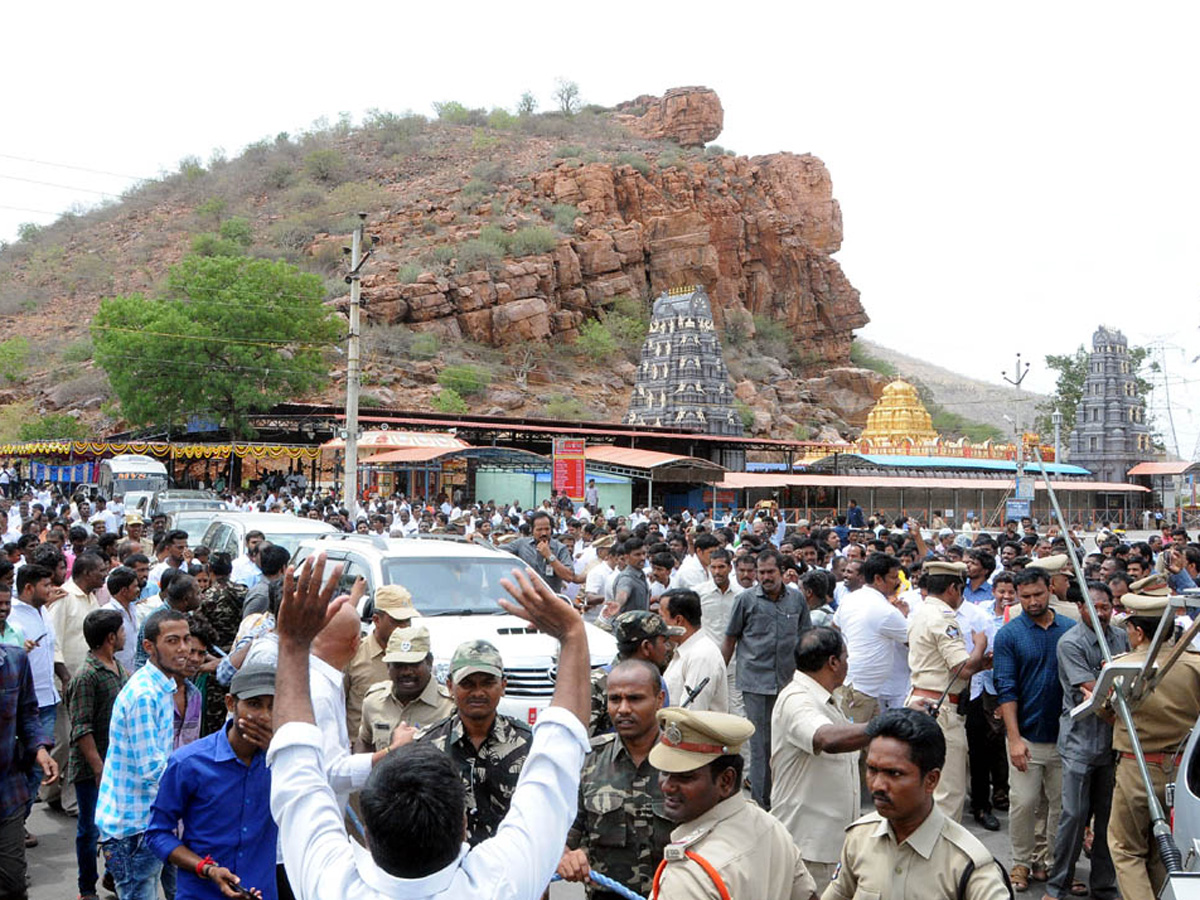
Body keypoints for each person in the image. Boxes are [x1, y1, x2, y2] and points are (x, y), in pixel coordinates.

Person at [267, 554, 592, 899]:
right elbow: (556, 760)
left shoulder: (331, 885)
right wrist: (572, 635)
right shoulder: (499, 884)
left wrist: (292, 645)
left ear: (369, 834)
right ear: (463, 826)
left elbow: (297, 770)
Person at [823, 708, 1011, 900]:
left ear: (931, 780)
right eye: (872, 769)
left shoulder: (968, 866)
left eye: (894, 773)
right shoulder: (859, 838)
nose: (877, 785)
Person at [649, 707, 817, 899]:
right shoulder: (771, 828)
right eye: (664, 772)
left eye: (685, 777)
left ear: (726, 781)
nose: (667, 786)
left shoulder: (689, 876)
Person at [146, 663, 278, 900]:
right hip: (200, 893)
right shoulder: (189, 763)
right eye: (254, 704)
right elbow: (157, 833)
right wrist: (207, 869)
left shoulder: (283, 765)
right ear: (230, 704)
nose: (265, 716)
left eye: (273, 706)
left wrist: (280, 756)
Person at [1105, 575, 1200, 899]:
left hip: (1136, 767)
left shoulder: (1122, 668)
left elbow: (1106, 712)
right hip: (1181, 770)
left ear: (1138, 631)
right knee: (1165, 850)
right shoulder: (1194, 665)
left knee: (1126, 848)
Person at [95, 608, 192, 900]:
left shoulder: (163, 686)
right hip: (134, 830)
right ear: (149, 646)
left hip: (152, 821)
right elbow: (153, 770)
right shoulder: (145, 695)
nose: (184, 649)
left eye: (186, 639)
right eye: (173, 641)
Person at [560, 659, 674, 900]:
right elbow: (563, 837)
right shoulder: (588, 761)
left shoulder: (683, 763)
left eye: (635, 699)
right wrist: (566, 856)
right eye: (615, 699)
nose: (622, 709)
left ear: (659, 699)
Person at [771, 627, 872, 894]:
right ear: (833, 662)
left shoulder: (826, 697)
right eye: (846, 658)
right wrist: (887, 725)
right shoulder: (797, 700)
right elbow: (826, 738)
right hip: (808, 849)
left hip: (830, 844)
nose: (847, 664)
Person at [1044, 580, 1126, 900]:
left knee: (1107, 817)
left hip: (1112, 742)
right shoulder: (1071, 643)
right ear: (1081, 609)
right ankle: (1058, 884)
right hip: (1081, 742)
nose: (1103, 614)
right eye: (1096, 608)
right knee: (1075, 816)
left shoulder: (1120, 637)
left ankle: (1103, 884)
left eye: (1106, 607)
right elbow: (1093, 691)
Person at [993, 568, 1073, 892]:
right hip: (1026, 736)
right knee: (1024, 803)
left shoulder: (1070, 630)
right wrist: (1014, 739)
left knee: (1061, 806)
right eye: (1024, 596)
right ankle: (1021, 863)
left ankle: (1050, 862)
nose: (1032, 601)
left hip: (1066, 737)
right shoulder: (1009, 635)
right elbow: (1006, 688)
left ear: (1050, 589)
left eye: (1037, 594)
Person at [413, 640, 532, 846]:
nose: (478, 692)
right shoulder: (427, 745)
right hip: (451, 865)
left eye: (488, 683)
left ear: (503, 685)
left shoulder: (527, 742)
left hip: (513, 863)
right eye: (467, 684)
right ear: (450, 686)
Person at [721, 548, 812, 808]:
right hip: (755, 684)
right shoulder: (746, 600)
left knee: (787, 743)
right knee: (760, 748)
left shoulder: (796, 600)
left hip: (789, 684)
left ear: (782, 573)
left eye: (770, 572)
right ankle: (763, 806)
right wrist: (718, 673)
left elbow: (806, 639)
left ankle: (786, 800)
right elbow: (730, 638)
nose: (765, 577)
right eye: (761, 573)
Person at [905, 561, 990, 822]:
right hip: (941, 709)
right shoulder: (944, 617)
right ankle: (940, 857)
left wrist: (978, 663)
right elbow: (961, 669)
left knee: (923, 787)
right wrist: (979, 646)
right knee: (948, 792)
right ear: (953, 588)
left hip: (921, 700)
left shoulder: (919, 612)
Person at [67, 608, 129, 900]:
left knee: (117, 828)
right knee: (90, 830)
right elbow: (81, 727)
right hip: (93, 767)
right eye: (121, 631)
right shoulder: (86, 676)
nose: (125, 635)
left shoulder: (118, 668)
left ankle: (111, 875)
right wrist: (98, 767)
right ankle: (86, 888)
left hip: (116, 764)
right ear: (110, 637)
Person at [0, 639, 57, 897]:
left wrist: (40, 749)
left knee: (13, 883)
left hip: (7, 790)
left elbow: (27, 714)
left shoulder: (14, 660)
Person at [356, 625, 453, 752]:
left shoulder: (450, 707)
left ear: (429, 662)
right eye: (399, 665)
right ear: (387, 666)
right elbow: (364, 742)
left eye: (414, 664)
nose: (406, 672)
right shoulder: (374, 701)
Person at [344, 584, 419, 740]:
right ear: (377, 620)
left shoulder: (418, 659)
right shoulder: (353, 656)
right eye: (397, 621)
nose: (404, 628)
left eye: (408, 621)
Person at [590, 611, 681, 735]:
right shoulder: (596, 684)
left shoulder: (658, 682)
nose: (668, 648)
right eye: (664, 641)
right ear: (647, 647)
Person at [660, 589, 728, 713]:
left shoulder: (701, 655)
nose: (659, 624)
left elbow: (691, 715)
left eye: (661, 617)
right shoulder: (684, 650)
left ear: (678, 620)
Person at [505, 511, 581, 594]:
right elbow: (496, 552)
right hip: (526, 601)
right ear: (532, 529)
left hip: (550, 602)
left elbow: (569, 577)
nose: (544, 533)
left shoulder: (560, 548)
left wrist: (549, 556)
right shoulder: (521, 544)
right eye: (539, 529)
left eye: (547, 529)